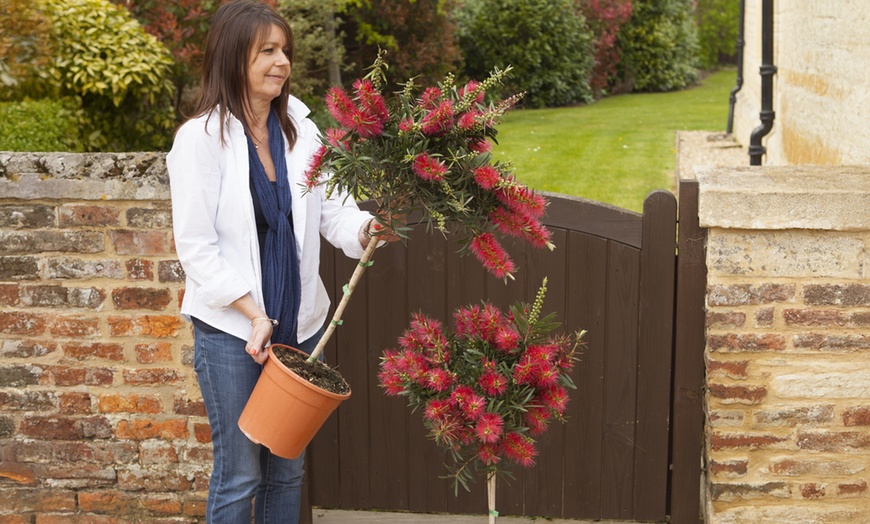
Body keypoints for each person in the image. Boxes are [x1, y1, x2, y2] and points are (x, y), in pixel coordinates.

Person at [167, 1, 394, 521]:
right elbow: (195, 247)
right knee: (240, 472)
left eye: (284, 50)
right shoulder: (200, 141)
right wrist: (253, 315)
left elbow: (334, 214)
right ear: (232, 58)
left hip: (300, 324)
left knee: (286, 469)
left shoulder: (301, 131)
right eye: (266, 51)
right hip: (232, 330)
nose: (281, 61)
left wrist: (367, 230)